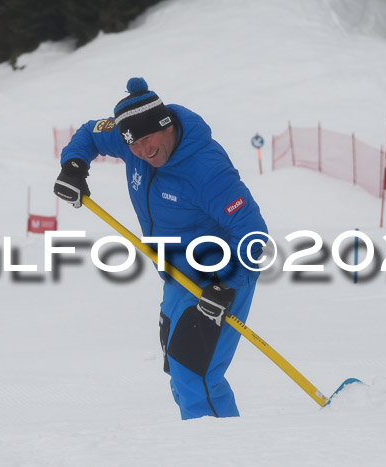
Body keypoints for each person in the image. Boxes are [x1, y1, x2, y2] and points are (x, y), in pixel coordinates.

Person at [54, 77, 268, 420]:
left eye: (147, 139)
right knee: (179, 371)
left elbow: (253, 233)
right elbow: (91, 132)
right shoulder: (131, 139)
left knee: (197, 374)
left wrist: (226, 284)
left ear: (165, 124)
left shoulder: (207, 170)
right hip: (176, 275)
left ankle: (222, 450)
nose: (142, 150)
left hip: (221, 278)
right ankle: (200, 441)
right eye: (133, 144)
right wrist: (74, 164)